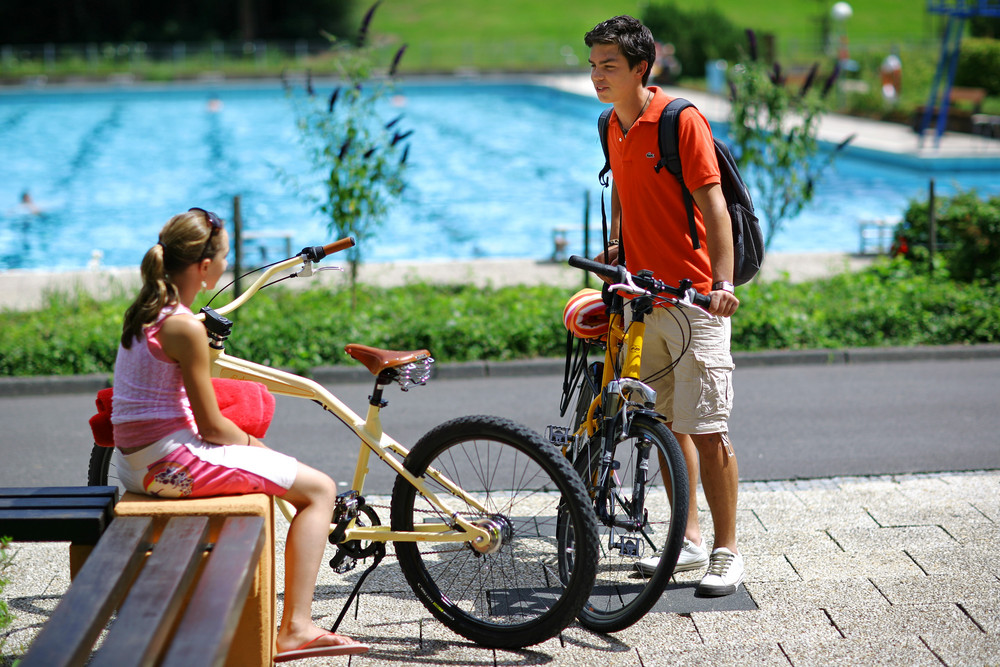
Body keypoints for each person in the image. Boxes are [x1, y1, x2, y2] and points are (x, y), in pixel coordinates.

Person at [110, 208, 369, 661]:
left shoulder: (145, 312)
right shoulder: (184, 326)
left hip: (137, 466)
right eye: (225, 257)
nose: (227, 265)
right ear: (204, 268)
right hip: (169, 466)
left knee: (286, 476)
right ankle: (295, 629)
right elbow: (210, 426)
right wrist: (257, 447)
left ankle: (294, 624)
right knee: (319, 490)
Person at [584, 15, 744, 597]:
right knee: (665, 423)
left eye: (610, 67)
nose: (598, 76)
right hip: (644, 299)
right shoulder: (611, 125)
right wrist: (619, 248)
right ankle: (689, 541)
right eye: (594, 65)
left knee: (707, 427)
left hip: (698, 298)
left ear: (640, 69)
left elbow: (715, 204)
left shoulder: (680, 121)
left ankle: (727, 551)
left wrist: (722, 283)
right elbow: (626, 194)